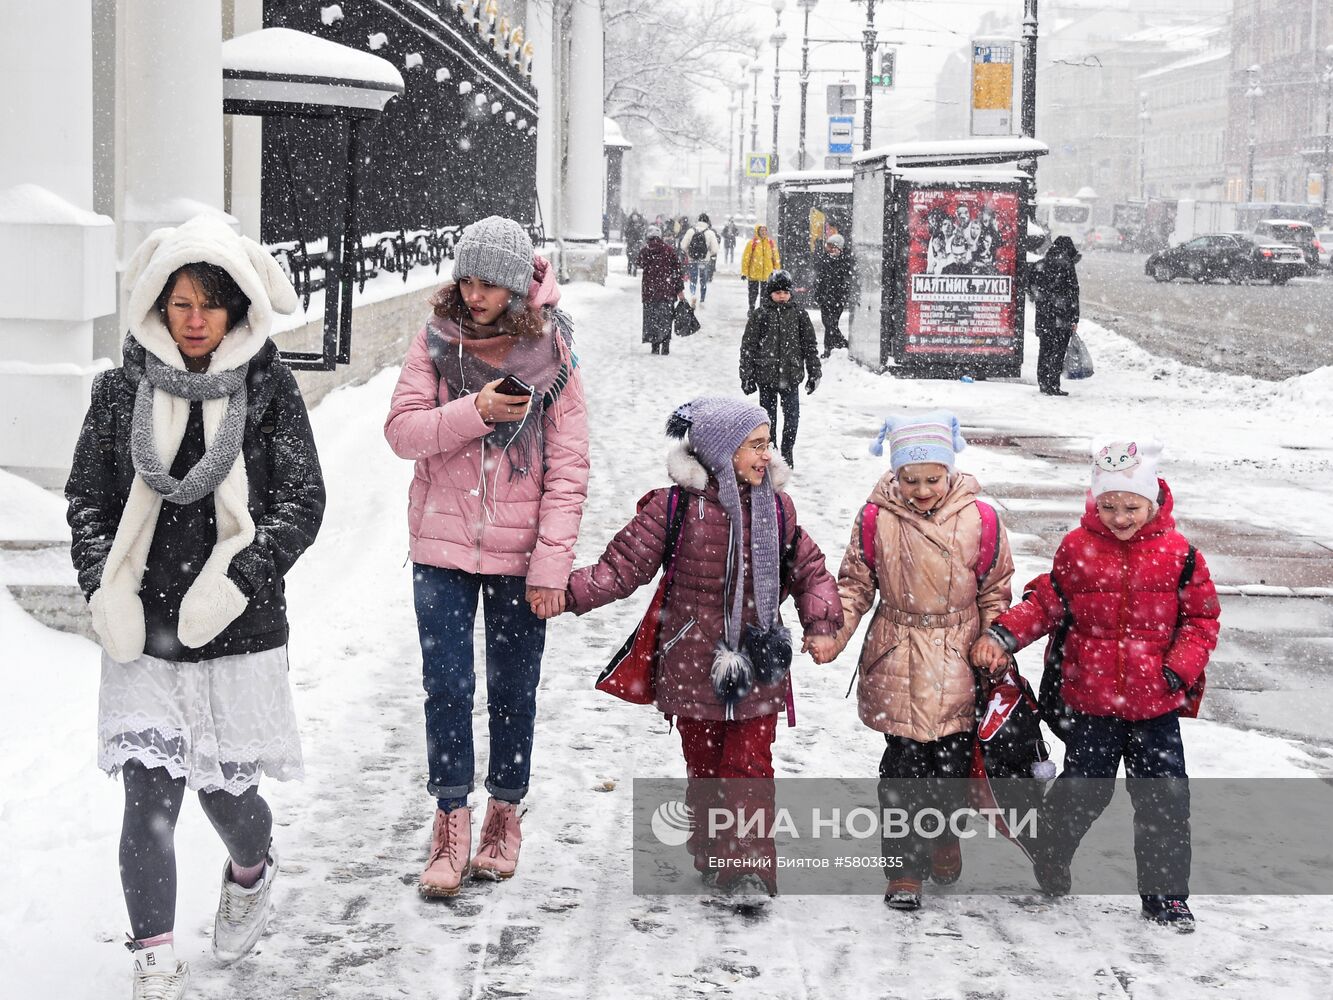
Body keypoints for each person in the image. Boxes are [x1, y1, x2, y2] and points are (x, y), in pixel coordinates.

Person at [66, 214, 325, 999]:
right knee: (149, 795)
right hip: (144, 633)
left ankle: (251, 868)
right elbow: (86, 500)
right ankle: (154, 960)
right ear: (156, 306)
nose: (196, 319)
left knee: (226, 796)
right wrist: (100, 584)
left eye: (211, 303)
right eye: (180, 303)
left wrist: (239, 577)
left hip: (236, 633)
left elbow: (301, 502)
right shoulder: (118, 395)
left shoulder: (268, 391)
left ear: (239, 309)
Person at [384, 216, 590, 899]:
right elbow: (403, 433)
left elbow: (568, 467)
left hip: (519, 553)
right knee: (446, 686)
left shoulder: (554, 353)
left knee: (511, 690)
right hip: (441, 544)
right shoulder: (434, 340)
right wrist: (475, 411)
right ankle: (449, 819)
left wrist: (550, 566)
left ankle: (504, 813)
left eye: (488, 285)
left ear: (516, 286)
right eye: (465, 281)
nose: (473, 296)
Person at [564, 398, 842, 897]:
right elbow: (623, 565)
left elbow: (810, 568)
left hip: (759, 656)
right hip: (692, 656)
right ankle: (715, 849)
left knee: (751, 763)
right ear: (720, 451)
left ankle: (749, 867)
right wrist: (564, 591)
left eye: (768, 444)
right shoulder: (675, 507)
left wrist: (821, 623)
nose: (767, 455)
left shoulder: (777, 508)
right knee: (706, 764)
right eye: (755, 445)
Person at [971, 436, 1219, 932]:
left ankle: (1166, 896)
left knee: (1164, 800)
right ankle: (1050, 850)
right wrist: (1004, 634)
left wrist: (1176, 671)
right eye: (1108, 505)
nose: (1119, 516)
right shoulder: (1078, 549)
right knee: (1085, 791)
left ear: (1153, 501)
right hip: (1093, 703)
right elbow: (1047, 604)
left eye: (1131, 506)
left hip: (1156, 707)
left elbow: (1201, 621)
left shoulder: (1180, 554)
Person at [806, 413, 1014, 912]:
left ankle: (942, 839)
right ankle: (903, 868)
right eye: (910, 478)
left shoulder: (981, 519)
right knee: (901, 773)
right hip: (898, 653)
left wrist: (994, 639)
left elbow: (996, 589)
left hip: (958, 658)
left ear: (949, 471)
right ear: (894, 474)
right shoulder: (876, 518)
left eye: (932, 478)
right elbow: (855, 586)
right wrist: (834, 635)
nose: (921, 489)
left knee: (950, 770)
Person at [739, 270, 821, 469]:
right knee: (768, 420)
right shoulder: (760, 315)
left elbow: (809, 346)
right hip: (765, 376)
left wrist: (814, 372)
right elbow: (748, 347)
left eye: (785, 292)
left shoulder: (799, 315)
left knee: (792, 417)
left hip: (791, 376)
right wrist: (747, 376)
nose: (782, 296)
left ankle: (787, 450)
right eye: (777, 292)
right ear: (770, 293)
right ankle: (771, 450)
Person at [1031, 235, 1081, 396]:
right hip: (1062, 317)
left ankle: (1043, 383)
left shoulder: (1040, 264)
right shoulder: (1067, 266)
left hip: (1044, 316)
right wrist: (1074, 318)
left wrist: (1042, 300)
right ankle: (1053, 384)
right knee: (1058, 351)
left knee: (1045, 349)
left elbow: (1031, 287)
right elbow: (1073, 293)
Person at [636, 225, 687, 355]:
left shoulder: (645, 251)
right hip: (667, 292)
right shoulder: (669, 251)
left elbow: (639, 263)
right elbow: (677, 271)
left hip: (650, 292)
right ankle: (665, 345)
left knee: (652, 318)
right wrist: (679, 289)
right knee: (665, 319)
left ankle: (654, 345)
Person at [814, 233, 854, 358]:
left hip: (837, 298)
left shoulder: (845, 261)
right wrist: (818, 295)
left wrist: (838, 259)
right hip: (825, 298)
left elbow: (846, 279)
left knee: (831, 324)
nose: (829, 249)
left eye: (832, 246)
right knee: (828, 323)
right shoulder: (824, 259)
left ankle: (829, 349)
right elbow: (819, 279)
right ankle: (841, 343)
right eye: (828, 246)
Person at [679, 212, 722, 307]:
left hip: (692, 259)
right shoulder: (710, 232)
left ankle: (693, 295)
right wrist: (708, 254)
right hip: (704, 260)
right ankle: (702, 299)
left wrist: (688, 253)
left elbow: (682, 246)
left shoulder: (691, 231)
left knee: (693, 279)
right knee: (703, 280)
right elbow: (715, 250)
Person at [740, 224, 781, 314]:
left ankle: (763, 309)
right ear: (758, 231)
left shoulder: (770, 243)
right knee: (753, 293)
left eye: (765, 230)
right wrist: (744, 272)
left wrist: (777, 270)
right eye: (762, 230)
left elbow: (775, 257)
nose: (763, 232)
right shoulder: (752, 243)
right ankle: (751, 308)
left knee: (765, 294)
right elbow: (746, 259)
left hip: (767, 274)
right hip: (753, 274)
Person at [623, 210, 646, 276]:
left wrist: (640, 239)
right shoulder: (629, 225)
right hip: (630, 242)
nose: (634, 218)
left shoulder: (640, 224)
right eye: (633, 217)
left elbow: (641, 233)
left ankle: (634, 271)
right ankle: (629, 270)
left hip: (636, 242)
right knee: (630, 257)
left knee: (635, 257)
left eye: (635, 217)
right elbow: (626, 232)